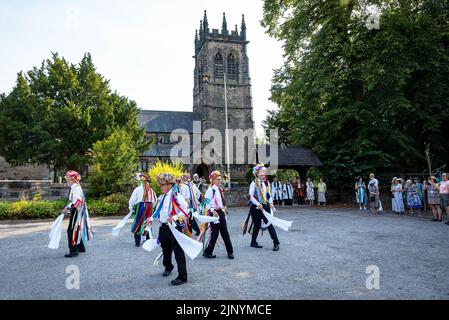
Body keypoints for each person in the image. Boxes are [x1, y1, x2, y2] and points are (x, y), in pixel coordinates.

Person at [147, 173, 190, 286]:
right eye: (160, 185)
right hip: (164, 227)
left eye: (162, 185)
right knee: (165, 249)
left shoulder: (176, 196)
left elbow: (187, 211)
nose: (160, 187)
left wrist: (175, 217)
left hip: (175, 227)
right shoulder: (162, 197)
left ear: (169, 185)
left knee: (178, 252)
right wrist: (151, 218)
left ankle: (182, 276)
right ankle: (168, 267)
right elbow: (158, 210)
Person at [247, 164, 280, 251]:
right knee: (257, 225)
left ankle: (276, 243)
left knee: (269, 224)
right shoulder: (253, 183)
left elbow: (269, 195)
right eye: (261, 173)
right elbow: (251, 196)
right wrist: (258, 204)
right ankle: (253, 242)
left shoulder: (266, 183)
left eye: (264, 173)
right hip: (256, 207)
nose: (263, 175)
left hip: (265, 206)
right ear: (257, 174)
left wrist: (271, 203)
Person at [202, 171, 234, 259]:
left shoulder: (219, 189)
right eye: (217, 179)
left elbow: (221, 202)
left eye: (220, 179)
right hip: (214, 213)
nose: (220, 181)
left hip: (220, 212)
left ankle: (230, 252)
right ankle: (208, 252)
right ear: (212, 180)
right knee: (214, 234)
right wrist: (212, 210)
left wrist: (224, 209)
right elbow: (206, 203)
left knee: (225, 233)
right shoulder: (210, 190)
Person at [61, 170, 92, 258]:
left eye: (68, 179)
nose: (67, 181)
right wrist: (68, 207)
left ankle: (73, 251)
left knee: (71, 230)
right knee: (75, 229)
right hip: (76, 210)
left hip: (77, 211)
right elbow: (74, 201)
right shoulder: (74, 187)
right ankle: (80, 247)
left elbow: (78, 201)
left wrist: (68, 208)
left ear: (74, 180)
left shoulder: (76, 188)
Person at [129, 173, 157, 246]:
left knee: (138, 222)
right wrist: (152, 207)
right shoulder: (151, 190)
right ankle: (147, 240)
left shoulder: (138, 189)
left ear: (139, 181)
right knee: (148, 222)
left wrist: (131, 207)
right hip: (150, 206)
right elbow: (155, 200)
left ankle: (137, 241)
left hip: (141, 206)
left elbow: (132, 199)